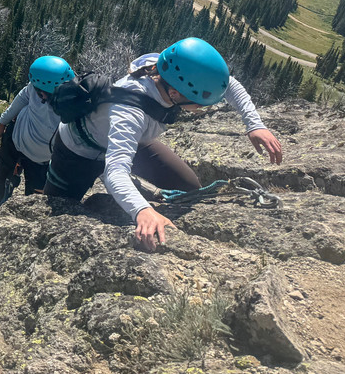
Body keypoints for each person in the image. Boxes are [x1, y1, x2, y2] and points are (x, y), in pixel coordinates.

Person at [44, 37, 283, 252]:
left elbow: (228, 85)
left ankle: (138, 191)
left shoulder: (169, 69)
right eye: (200, 102)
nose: (203, 107)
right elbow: (115, 172)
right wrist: (143, 210)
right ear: (176, 94)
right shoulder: (130, 114)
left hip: (131, 141)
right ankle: (133, 194)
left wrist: (255, 125)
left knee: (188, 186)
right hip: (78, 152)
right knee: (57, 213)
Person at [0, 55, 76, 205]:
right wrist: (2, 122)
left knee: (35, 195)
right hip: (17, 139)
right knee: (3, 176)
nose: (38, 94)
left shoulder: (75, 105)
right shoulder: (39, 85)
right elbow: (23, 97)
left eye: (39, 92)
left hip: (42, 158)